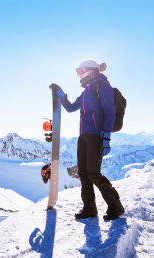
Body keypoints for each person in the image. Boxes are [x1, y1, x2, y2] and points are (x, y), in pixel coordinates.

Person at [55, 60, 125, 220]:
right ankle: (89, 209)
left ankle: (116, 206)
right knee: (83, 173)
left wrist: (106, 137)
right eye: (77, 71)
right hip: (83, 136)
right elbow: (71, 107)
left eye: (81, 70)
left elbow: (109, 113)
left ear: (92, 70)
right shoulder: (87, 90)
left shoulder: (103, 87)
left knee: (93, 173)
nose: (79, 74)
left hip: (96, 136)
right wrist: (61, 95)